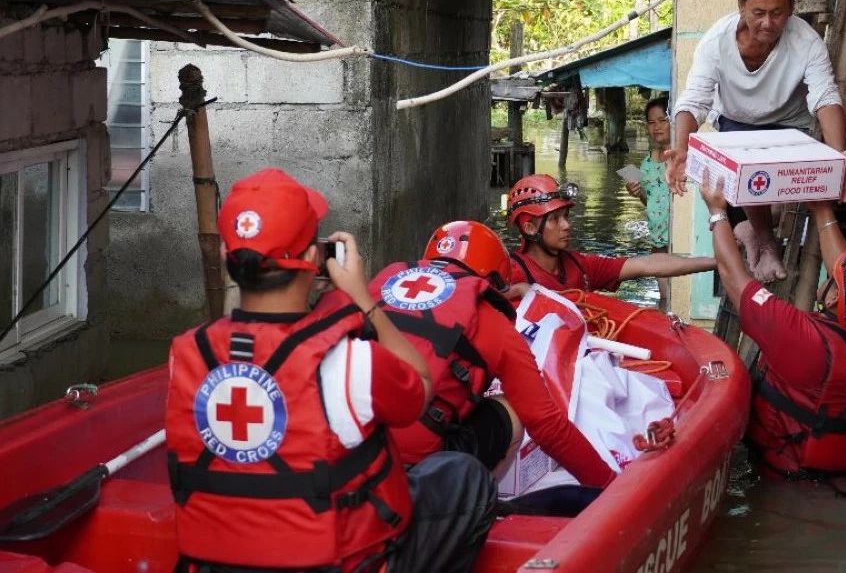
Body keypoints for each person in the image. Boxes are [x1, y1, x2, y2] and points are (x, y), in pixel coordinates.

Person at [165, 169, 496, 573]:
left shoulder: (184, 356)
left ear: (224, 258)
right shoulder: (349, 362)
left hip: (217, 565)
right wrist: (363, 298)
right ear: (311, 259)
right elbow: (420, 387)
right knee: (466, 477)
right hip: (339, 564)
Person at [318, 219, 616, 491]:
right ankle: (474, 499)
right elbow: (548, 426)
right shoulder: (491, 321)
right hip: (418, 464)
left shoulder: (370, 286)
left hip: (349, 446)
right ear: (496, 279)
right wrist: (609, 487)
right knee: (512, 408)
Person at [698, 169, 846, 483]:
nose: (831, 273)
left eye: (834, 279)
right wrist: (822, 210)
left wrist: (717, 213)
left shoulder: (806, 341)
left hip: (786, 488)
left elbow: (733, 278)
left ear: (835, 296)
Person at [666, 0, 846, 283]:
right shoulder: (715, 42)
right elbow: (694, 100)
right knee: (752, 170)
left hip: (789, 125)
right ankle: (766, 244)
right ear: (741, 6)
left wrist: (838, 157)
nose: (767, 23)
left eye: (777, 13)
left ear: (791, 8)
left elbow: (825, 97)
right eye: (758, 13)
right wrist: (681, 148)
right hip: (735, 123)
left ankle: (753, 229)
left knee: (780, 195)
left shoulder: (806, 42)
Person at [505, 173, 716, 295]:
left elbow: (647, 265)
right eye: (554, 219)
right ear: (530, 228)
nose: (567, 225)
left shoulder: (580, 266)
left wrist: (716, 262)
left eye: (566, 216)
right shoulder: (512, 274)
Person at [623, 97, 672, 310]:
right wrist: (637, 191)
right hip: (657, 242)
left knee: (676, 292)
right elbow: (650, 200)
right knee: (665, 298)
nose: (657, 127)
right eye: (652, 123)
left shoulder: (682, 157)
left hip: (677, 240)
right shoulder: (647, 161)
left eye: (663, 120)